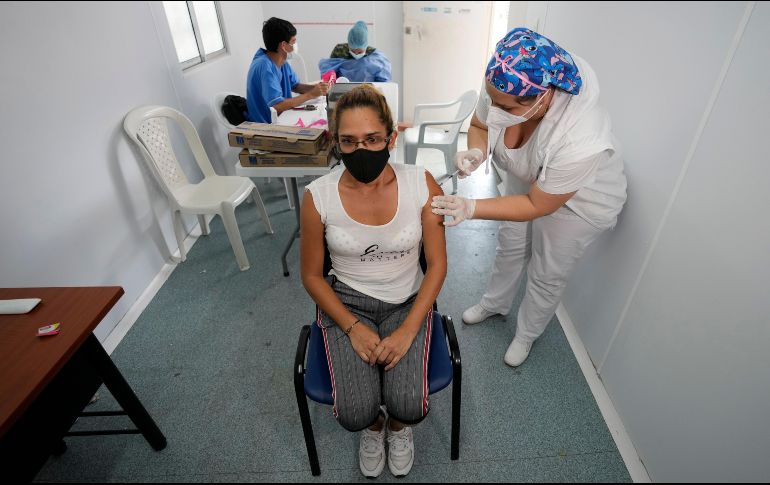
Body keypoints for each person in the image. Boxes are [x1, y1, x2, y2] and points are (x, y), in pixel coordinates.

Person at [431, 27, 627, 367]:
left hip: (581, 201)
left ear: (543, 97)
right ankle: (495, 303)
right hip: (534, 175)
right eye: (492, 99)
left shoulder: (581, 137)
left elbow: (537, 205)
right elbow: (480, 125)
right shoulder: (504, 79)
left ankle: (526, 334)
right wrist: (476, 152)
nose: (495, 108)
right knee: (511, 242)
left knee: (547, 270)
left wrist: (471, 206)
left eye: (504, 106)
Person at [300, 85, 446, 478]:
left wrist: (409, 328)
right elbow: (312, 276)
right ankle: (374, 426)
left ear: (390, 139)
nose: (361, 150)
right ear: (335, 142)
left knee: (409, 405)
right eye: (348, 141)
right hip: (346, 303)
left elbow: (436, 266)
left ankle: (397, 427)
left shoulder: (422, 183)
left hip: (406, 301)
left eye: (372, 139)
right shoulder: (318, 196)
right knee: (354, 413)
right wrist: (351, 327)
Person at [246, 17, 329, 123]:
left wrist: (319, 89)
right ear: (283, 45)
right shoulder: (264, 66)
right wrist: (310, 94)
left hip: (283, 115)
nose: (295, 46)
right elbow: (277, 106)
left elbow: (295, 86)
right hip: (267, 124)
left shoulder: (281, 61)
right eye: (293, 42)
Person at [318, 20, 392, 82]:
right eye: (353, 50)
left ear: (365, 46)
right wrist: (331, 77)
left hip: (368, 93)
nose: (356, 54)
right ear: (349, 44)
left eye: (360, 52)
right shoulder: (339, 50)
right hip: (342, 92)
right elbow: (329, 72)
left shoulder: (376, 57)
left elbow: (383, 82)